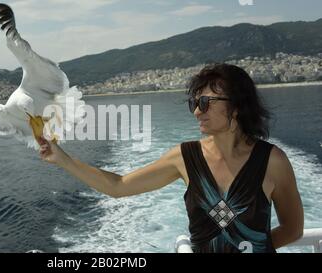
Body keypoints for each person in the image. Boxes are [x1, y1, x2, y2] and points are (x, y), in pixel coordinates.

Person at [38, 63, 304, 253]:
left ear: (236, 106)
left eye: (205, 103)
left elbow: (293, 229)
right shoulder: (184, 157)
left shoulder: (273, 161)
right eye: (194, 104)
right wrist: (62, 158)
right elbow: (118, 187)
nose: (197, 112)